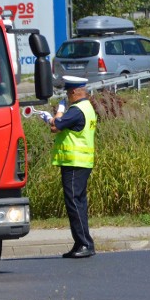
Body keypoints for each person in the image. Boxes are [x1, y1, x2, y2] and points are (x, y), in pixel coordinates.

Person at [43, 75, 98, 258]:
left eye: (68, 92)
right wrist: (54, 120)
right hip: (82, 162)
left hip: (74, 162)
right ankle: (81, 243)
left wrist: (55, 114)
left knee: (74, 202)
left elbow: (57, 125)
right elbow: (57, 127)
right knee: (78, 202)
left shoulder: (76, 110)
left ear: (75, 92)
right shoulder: (87, 107)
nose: (67, 96)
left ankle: (84, 243)